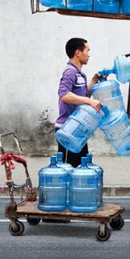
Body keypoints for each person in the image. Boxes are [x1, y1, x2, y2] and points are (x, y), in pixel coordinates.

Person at [55, 37, 101, 167]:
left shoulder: (80, 74)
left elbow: (81, 95)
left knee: (80, 169)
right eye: (87, 50)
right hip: (68, 129)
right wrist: (88, 101)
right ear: (78, 52)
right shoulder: (70, 71)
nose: (89, 54)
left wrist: (93, 82)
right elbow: (64, 94)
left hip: (79, 128)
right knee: (68, 169)